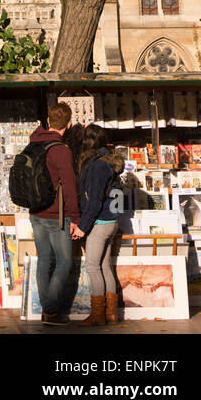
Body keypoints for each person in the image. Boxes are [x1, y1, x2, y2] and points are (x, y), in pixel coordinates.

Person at [28, 102, 81, 325]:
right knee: (64, 263)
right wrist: (75, 218)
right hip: (56, 216)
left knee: (44, 261)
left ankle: (47, 310)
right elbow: (69, 187)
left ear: (48, 121)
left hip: (35, 212)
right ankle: (50, 311)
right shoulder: (61, 151)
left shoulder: (32, 143)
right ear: (68, 125)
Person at [72, 124, 125, 326]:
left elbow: (94, 202)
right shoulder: (109, 163)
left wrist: (82, 226)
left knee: (93, 266)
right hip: (111, 221)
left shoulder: (96, 166)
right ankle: (111, 313)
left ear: (88, 142)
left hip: (100, 221)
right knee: (105, 266)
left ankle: (97, 315)